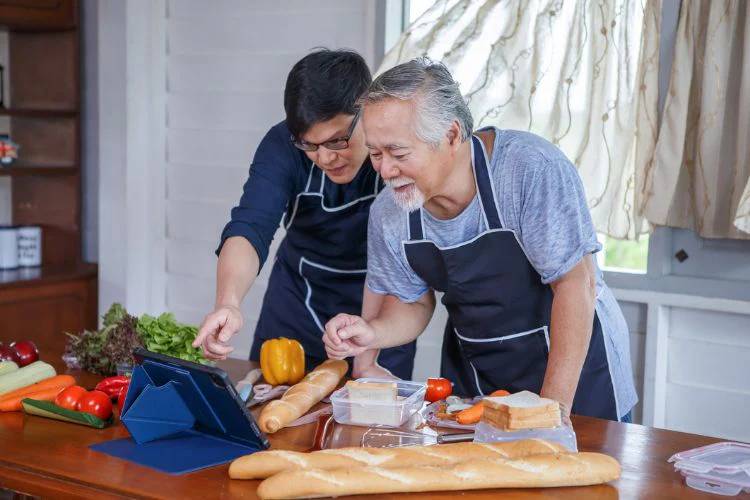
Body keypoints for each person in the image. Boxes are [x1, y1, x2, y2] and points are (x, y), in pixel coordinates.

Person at [323, 58, 638, 422]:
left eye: (398, 153)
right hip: (478, 374)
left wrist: (552, 411)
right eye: (375, 154)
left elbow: (574, 285)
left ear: (452, 135)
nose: (386, 171)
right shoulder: (390, 210)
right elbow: (413, 304)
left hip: (576, 374)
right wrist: (372, 332)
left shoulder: (529, 171)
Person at [193, 49, 417, 380]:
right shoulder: (281, 146)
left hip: (386, 311)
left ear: (366, 112)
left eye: (338, 140)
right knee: (270, 417)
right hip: (296, 308)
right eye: (310, 146)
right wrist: (228, 303)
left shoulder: (399, 148)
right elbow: (250, 226)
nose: (326, 158)